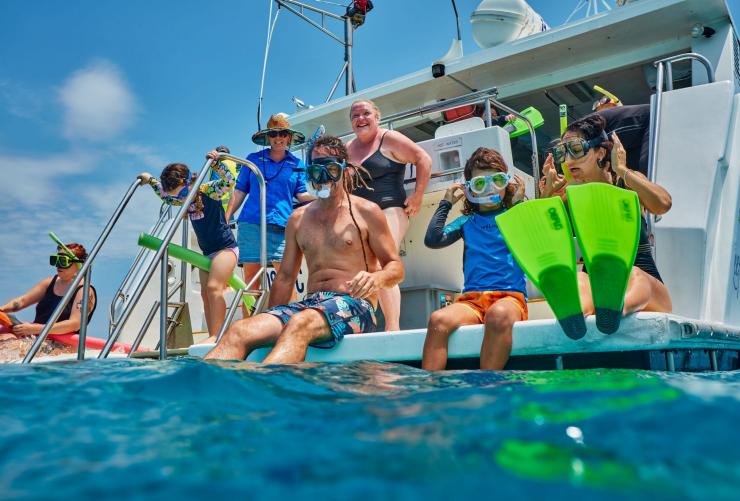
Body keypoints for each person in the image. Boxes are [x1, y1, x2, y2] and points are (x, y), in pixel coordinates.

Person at [205, 135, 404, 363]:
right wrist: (273, 319)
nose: (323, 175)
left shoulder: (366, 211)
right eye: (316, 168)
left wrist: (377, 278)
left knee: (300, 323)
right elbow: (285, 277)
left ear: (344, 170)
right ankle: (206, 394)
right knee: (241, 330)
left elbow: (396, 267)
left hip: (356, 305)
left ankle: (267, 394)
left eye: (329, 166)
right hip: (311, 304)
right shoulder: (298, 219)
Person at [541, 113, 673, 316]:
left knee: (635, 277)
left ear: (600, 153)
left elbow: (663, 204)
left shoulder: (627, 184)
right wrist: (548, 196)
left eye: (575, 150)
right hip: (597, 284)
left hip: (646, 286)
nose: (567, 161)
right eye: (562, 153)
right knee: (579, 280)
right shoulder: (569, 198)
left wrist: (622, 169)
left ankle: (614, 310)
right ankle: (578, 316)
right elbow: (544, 240)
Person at [422, 147, 528, 371]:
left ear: (506, 184)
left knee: (497, 315)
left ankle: (488, 385)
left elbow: (535, 240)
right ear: (470, 189)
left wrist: (519, 206)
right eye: (480, 184)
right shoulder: (467, 222)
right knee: (438, 320)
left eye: (496, 181)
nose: (489, 188)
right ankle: (430, 392)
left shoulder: (515, 216)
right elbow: (432, 239)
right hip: (472, 301)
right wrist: (446, 203)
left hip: (509, 298)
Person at [347, 99, 432, 331]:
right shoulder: (348, 148)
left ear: (377, 117)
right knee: (359, 267)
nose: (360, 119)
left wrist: (417, 196)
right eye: (355, 116)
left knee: (382, 264)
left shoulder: (389, 138)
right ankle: (366, 324)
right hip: (360, 216)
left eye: (366, 113)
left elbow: (423, 159)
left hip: (389, 209)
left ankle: (392, 330)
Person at [144, 160, 237, 343]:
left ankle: (218, 336)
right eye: (178, 197)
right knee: (204, 293)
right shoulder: (180, 197)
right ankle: (213, 335)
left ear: (189, 182)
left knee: (213, 288)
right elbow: (164, 196)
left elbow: (229, 181)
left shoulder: (207, 190)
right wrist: (150, 180)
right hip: (207, 253)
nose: (182, 199)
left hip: (225, 249)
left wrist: (217, 163)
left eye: (184, 193)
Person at [224, 114, 315, 299]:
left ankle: (290, 326)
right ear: (268, 137)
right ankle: (251, 326)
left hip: (282, 226)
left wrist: (324, 198)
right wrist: (227, 217)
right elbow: (240, 191)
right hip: (251, 225)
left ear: (289, 136)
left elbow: (301, 194)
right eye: (274, 134)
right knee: (250, 283)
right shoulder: (253, 159)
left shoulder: (297, 164)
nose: (278, 138)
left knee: (287, 278)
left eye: (282, 133)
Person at [0, 243, 96, 338]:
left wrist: (36, 329)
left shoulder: (85, 290)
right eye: (55, 260)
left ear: (78, 264)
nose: (58, 265)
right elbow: (22, 301)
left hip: (62, 345)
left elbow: (75, 324)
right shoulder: (49, 282)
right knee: (5, 338)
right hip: (37, 338)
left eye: (63, 261)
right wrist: (3, 308)